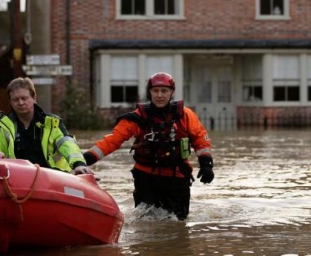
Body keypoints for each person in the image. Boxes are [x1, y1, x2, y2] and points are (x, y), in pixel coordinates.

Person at [83, 72, 214, 220]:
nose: (159, 95)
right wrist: (84, 160)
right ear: (150, 92)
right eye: (155, 91)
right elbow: (112, 141)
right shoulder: (137, 118)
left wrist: (206, 164)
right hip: (146, 179)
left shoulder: (185, 115)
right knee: (146, 223)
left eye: (164, 91)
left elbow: (200, 140)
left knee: (178, 225)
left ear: (172, 92)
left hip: (177, 178)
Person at [6, 77, 91, 175]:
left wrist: (78, 164)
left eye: (24, 98)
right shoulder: (4, 126)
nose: (20, 103)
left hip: (53, 175)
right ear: (10, 102)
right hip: (18, 177)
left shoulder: (51, 123)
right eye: (16, 100)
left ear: (34, 98)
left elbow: (67, 145)